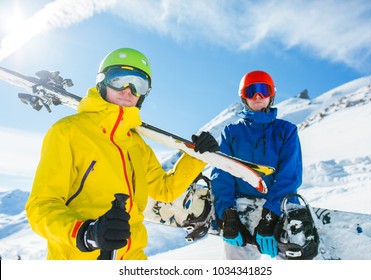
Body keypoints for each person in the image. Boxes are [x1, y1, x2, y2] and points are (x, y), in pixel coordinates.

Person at [25, 48, 219, 260]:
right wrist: (86, 233)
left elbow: (165, 190)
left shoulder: (136, 144)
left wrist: (196, 157)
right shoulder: (68, 132)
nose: (129, 90)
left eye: (139, 85)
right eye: (119, 80)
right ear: (102, 82)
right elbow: (40, 207)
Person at [210, 70, 302, 259]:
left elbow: (289, 175)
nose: (258, 96)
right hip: (241, 212)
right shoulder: (232, 131)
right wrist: (228, 214)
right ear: (244, 97)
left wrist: (271, 216)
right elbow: (222, 173)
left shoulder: (286, 131)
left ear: (271, 95)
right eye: (252, 91)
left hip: (279, 212)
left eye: (263, 90)